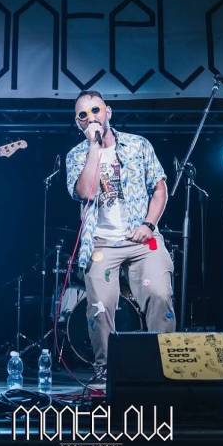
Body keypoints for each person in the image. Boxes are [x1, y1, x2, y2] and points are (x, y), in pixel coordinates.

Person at [66, 91, 175, 384]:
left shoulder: (139, 145)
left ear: (108, 112)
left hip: (142, 239)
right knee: (99, 307)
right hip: (101, 242)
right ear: (78, 123)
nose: (90, 117)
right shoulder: (76, 155)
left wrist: (149, 224)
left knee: (160, 294)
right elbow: (87, 192)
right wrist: (93, 147)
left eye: (95, 110)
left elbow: (160, 189)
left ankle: (162, 367)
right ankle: (105, 370)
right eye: (83, 115)